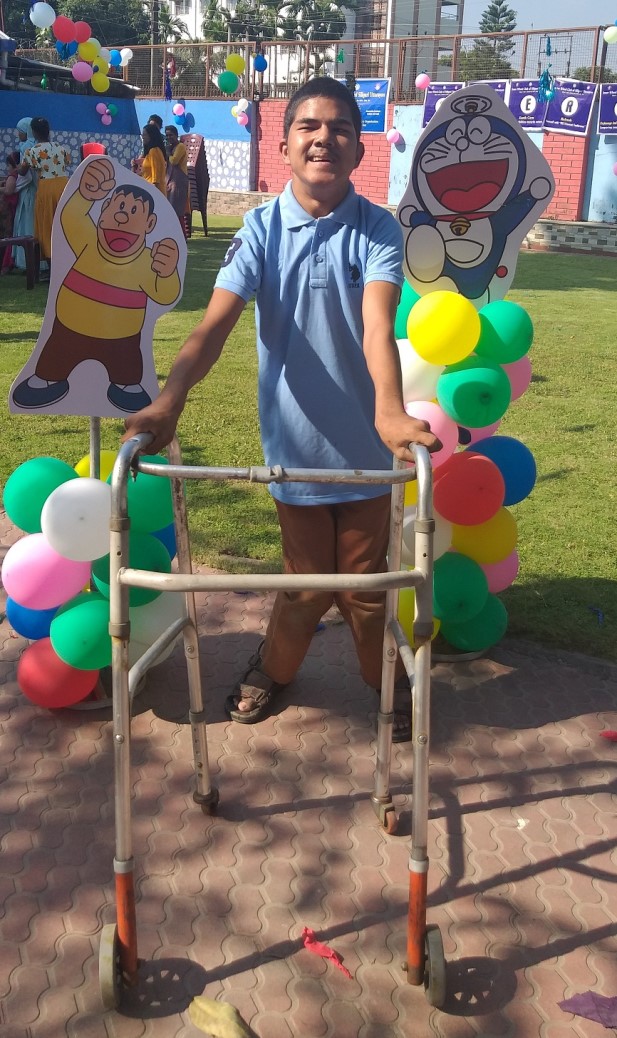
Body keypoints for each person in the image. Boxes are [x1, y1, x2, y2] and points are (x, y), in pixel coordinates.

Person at [123, 78, 439, 741]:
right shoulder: (260, 230)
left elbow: (378, 328)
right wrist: (169, 401)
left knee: (362, 590)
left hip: (366, 449)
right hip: (295, 447)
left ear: (359, 149)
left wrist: (388, 410)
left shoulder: (378, 229)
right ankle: (273, 668)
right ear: (285, 145)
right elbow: (213, 326)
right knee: (305, 585)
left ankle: (388, 688)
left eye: (341, 128)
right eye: (308, 126)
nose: (324, 138)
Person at [20, 116, 71, 263]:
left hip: (46, 188)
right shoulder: (61, 148)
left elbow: (23, 171)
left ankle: (51, 263)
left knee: (47, 224)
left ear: (34, 132)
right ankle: (66, 259)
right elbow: (66, 163)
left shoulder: (32, 151)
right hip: (64, 187)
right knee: (63, 223)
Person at [13, 118, 37, 271]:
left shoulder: (27, 147)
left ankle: (26, 261)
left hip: (29, 191)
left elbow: (25, 174)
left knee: (27, 225)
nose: (18, 134)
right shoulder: (39, 145)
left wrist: (15, 185)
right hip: (37, 191)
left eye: (20, 131)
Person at [165, 125, 189, 237]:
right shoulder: (170, 147)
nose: (169, 138)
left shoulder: (180, 147)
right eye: (167, 136)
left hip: (179, 182)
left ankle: (182, 235)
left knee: (178, 210)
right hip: (170, 181)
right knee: (170, 209)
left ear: (176, 135)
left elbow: (174, 161)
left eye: (171, 135)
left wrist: (168, 153)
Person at [0, 152, 20, 273]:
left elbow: (9, 190)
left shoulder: (13, 176)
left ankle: (5, 264)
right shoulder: (17, 176)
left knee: (6, 237)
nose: (7, 168)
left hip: (7, 212)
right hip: (9, 211)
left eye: (8, 165)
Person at [133, 123, 166, 195]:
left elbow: (156, 176)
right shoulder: (150, 152)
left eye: (145, 135)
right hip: (149, 189)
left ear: (151, 136)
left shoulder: (154, 151)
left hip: (154, 191)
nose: (143, 137)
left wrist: (153, 192)